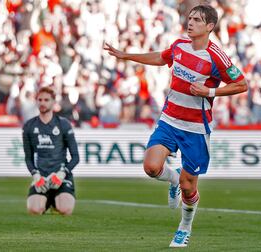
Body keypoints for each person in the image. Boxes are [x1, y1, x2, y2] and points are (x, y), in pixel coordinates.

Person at [104, 4, 248, 248]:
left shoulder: (216, 57)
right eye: (189, 18)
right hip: (169, 120)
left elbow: (241, 84)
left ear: (209, 26)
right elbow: (161, 58)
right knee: (151, 166)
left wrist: (210, 90)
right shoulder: (179, 45)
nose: (190, 22)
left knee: (189, 185)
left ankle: (185, 226)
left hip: (195, 129)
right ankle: (172, 181)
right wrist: (126, 55)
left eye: (197, 20)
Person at [22, 86, 80, 216]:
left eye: (46, 100)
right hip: (41, 178)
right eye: (40, 99)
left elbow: (75, 157)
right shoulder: (29, 126)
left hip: (60, 177)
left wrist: (62, 174)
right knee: (34, 210)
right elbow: (28, 158)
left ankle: (55, 202)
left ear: (53, 102)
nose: (42, 103)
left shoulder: (63, 124)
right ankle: (46, 201)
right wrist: (35, 175)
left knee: (65, 210)